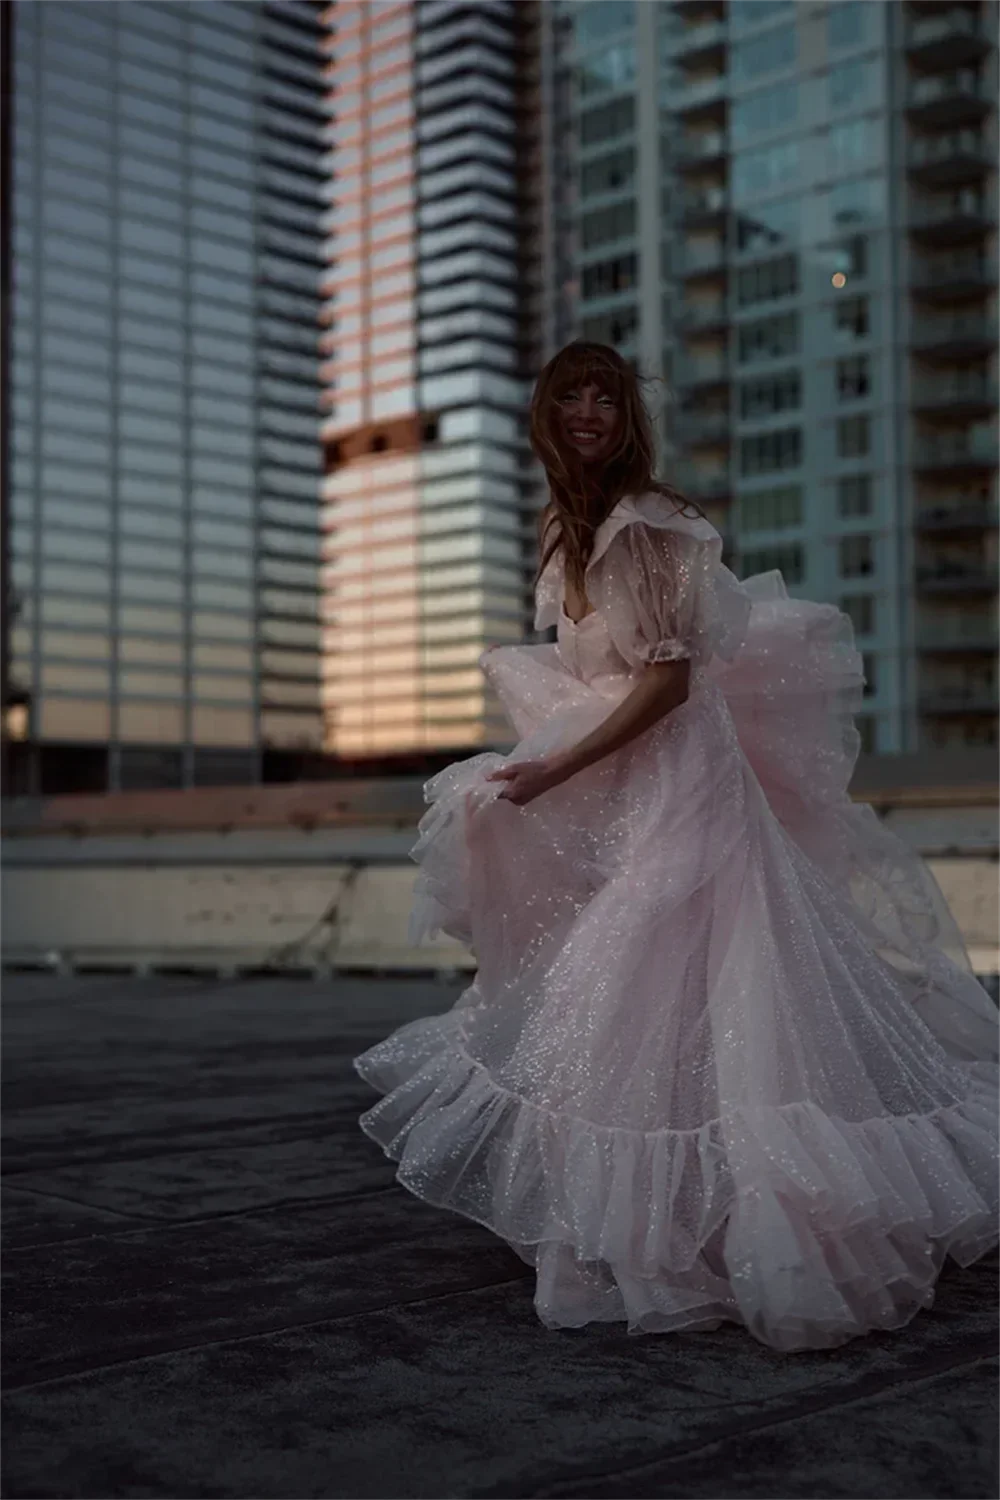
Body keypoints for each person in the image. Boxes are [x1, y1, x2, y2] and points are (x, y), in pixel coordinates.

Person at [354, 341, 999, 1353]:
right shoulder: (559, 533)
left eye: (603, 396)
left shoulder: (651, 529)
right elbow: (593, 681)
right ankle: (644, 1217)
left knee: (661, 983)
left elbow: (666, 682)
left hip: (685, 787)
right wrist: (545, 765)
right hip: (626, 789)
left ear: (627, 415)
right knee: (643, 997)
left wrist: (551, 773)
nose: (585, 411)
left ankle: (735, 1218)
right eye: (567, 395)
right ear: (543, 415)